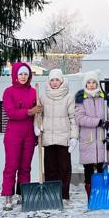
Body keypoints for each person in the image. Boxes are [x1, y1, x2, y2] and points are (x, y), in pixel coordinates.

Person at [1, 62, 42, 211]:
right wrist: (29, 111)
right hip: (13, 134)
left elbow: (38, 114)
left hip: (29, 134)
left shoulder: (33, 92)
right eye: (20, 74)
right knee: (11, 166)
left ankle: (22, 193)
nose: (23, 77)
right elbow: (11, 112)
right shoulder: (8, 92)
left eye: (26, 74)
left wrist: (39, 112)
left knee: (25, 167)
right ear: (15, 76)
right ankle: (8, 196)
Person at [35, 69, 78, 204]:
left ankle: (64, 195)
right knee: (50, 168)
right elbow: (38, 115)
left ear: (62, 81)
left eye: (57, 80)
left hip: (63, 137)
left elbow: (73, 118)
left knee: (64, 168)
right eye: (52, 80)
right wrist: (36, 126)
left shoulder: (69, 97)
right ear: (49, 82)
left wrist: (74, 137)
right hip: (48, 137)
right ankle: (51, 195)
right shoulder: (42, 96)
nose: (54, 83)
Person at [74, 70, 109, 201]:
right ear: (85, 84)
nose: (91, 85)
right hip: (88, 141)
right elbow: (80, 118)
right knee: (89, 171)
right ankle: (91, 195)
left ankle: (102, 195)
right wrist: (98, 122)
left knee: (102, 169)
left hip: (102, 141)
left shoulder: (104, 98)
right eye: (88, 83)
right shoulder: (81, 100)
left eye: (94, 82)